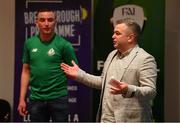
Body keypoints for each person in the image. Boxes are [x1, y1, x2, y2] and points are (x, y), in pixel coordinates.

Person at [61, 18, 157, 122]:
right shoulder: (112, 55)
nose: (113, 36)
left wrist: (128, 89)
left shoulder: (145, 58)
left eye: (117, 33)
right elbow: (103, 82)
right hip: (106, 119)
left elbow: (151, 91)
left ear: (130, 38)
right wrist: (80, 75)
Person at [17, 9, 78, 122]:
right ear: (37, 22)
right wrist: (22, 99)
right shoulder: (29, 43)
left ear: (55, 22)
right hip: (36, 99)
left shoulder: (64, 45)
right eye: (42, 20)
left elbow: (75, 71)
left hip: (58, 99)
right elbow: (25, 71)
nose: (46, 23)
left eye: (50, 20)